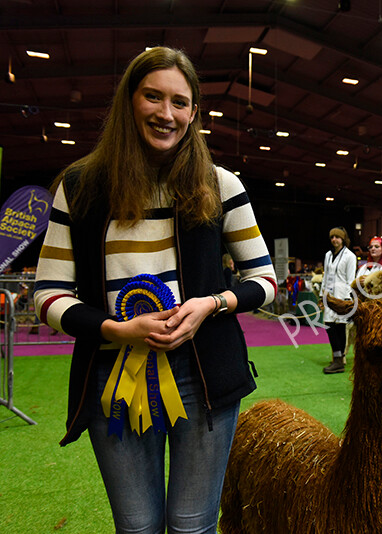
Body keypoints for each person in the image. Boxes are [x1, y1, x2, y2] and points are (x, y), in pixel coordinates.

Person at [32, 47, 277, 533]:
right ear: (129, 101)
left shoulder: (220, 184)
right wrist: (115, 329)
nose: (167, 114)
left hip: (205, 377)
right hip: (112, 376)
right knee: (137, 528)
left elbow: (264, 281)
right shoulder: (78, 186)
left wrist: (211, 304)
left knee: (193, 526)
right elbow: (49, 294)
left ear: (193, 112)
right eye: (153, 97)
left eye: (180, 103)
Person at [321, 226, 357, 374]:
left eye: (337, 237)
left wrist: (348, 299)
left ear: (343, 239)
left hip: (342, 296)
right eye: (332, 237)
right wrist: (322, 295)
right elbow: (325, 275)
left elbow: (351, 279)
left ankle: (339, 360)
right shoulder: (328, 255)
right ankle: (337, 356)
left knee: (340, 327)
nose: (334, 239)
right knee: (329, 325)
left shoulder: (350, 256)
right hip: (329, 294)